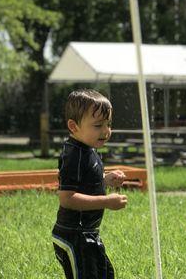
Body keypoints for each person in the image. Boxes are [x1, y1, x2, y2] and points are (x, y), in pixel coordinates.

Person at [52, 89, 128, 279]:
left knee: (106, 275)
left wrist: (105, 179)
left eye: (108, 124)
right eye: (98, 125)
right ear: (73, 126)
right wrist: (106, 201)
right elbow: (67, 199)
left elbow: (84, 183)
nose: (106, 131)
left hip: (87, 233)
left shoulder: (88, 149)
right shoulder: (73, 155)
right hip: (73, 235)